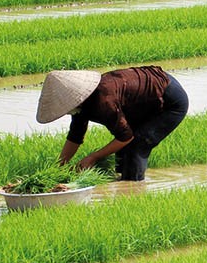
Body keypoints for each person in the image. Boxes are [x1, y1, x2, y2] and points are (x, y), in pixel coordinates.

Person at [36, 66, 189, 182]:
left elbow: (125, 137)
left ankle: (133, 189)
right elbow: (75, 135)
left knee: (137, 144)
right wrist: (59, 169)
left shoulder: (103, 101)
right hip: (143, 102)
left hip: (170, 100)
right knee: (123, 151)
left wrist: (93, 157)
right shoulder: (81, 103)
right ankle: (123, 179)